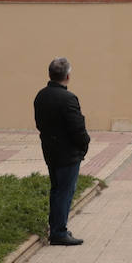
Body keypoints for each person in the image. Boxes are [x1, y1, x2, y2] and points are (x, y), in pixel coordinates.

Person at [33, 57, 90, 246]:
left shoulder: (41, 95)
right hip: (68, 153)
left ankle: (56, 227)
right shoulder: (68, 98)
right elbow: (77, 129)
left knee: (57, 189)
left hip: (50, 150)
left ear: (50, 74)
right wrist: (85, 144)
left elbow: (39, 123)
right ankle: (59, 232)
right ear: (67, 76)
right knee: (64, 192)